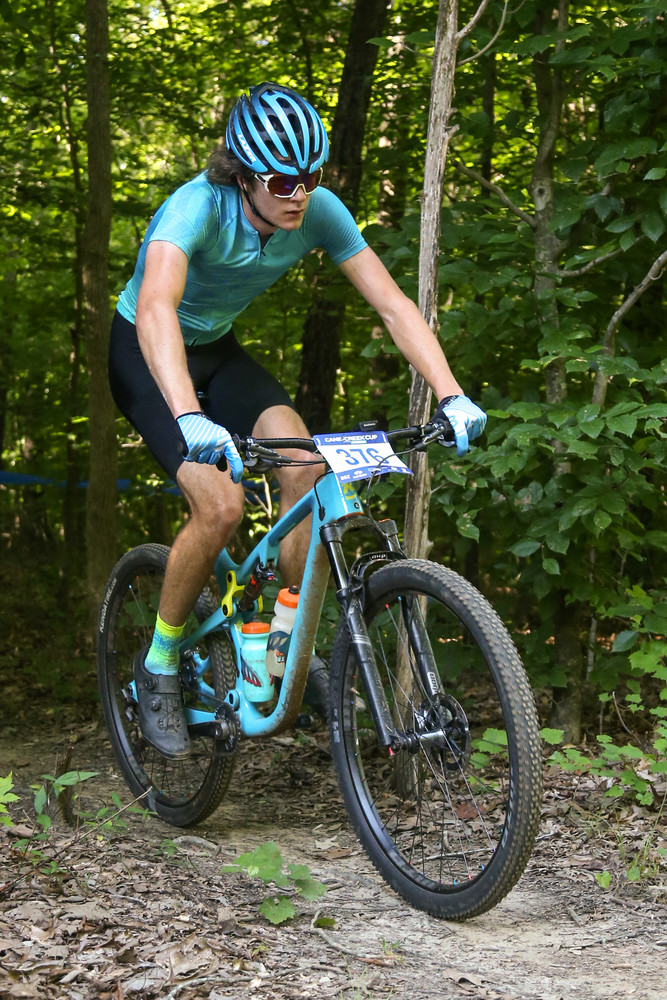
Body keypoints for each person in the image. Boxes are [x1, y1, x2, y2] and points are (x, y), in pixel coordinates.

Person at [109, 82, 486, 760]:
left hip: (218, 351)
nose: (300, 195)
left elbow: (393, 305)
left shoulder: (318, 210)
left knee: (308, 466)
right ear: (243, 176)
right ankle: (158, 664)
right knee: (220, 505)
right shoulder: (193, 208)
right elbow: (158, 308)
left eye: (310, 179)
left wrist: (451, 394)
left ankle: (287, 644)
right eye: (284, 182)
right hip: (144, 351)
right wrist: (188, 415)